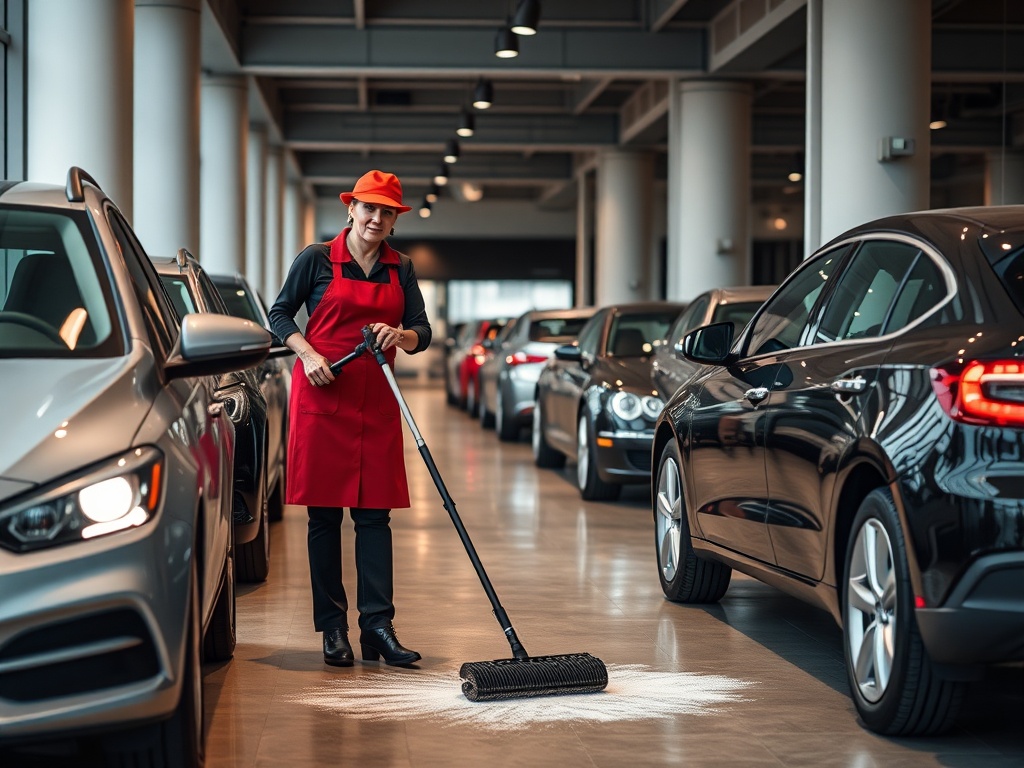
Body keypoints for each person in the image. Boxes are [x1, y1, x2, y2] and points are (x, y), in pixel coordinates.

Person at [269, 170, 432, 668]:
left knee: (374, 517)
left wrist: (398, 336)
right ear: (351, 209)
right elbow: (279, 315)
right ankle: (333, 629)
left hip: (375, 400)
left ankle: (378, 627)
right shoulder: (316, 259)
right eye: (370, 209)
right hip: (324, 397)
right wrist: (307, 354)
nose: (376, 219)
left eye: (387, 213)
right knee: (324, 517)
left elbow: (422, 330)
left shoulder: (400, 268)